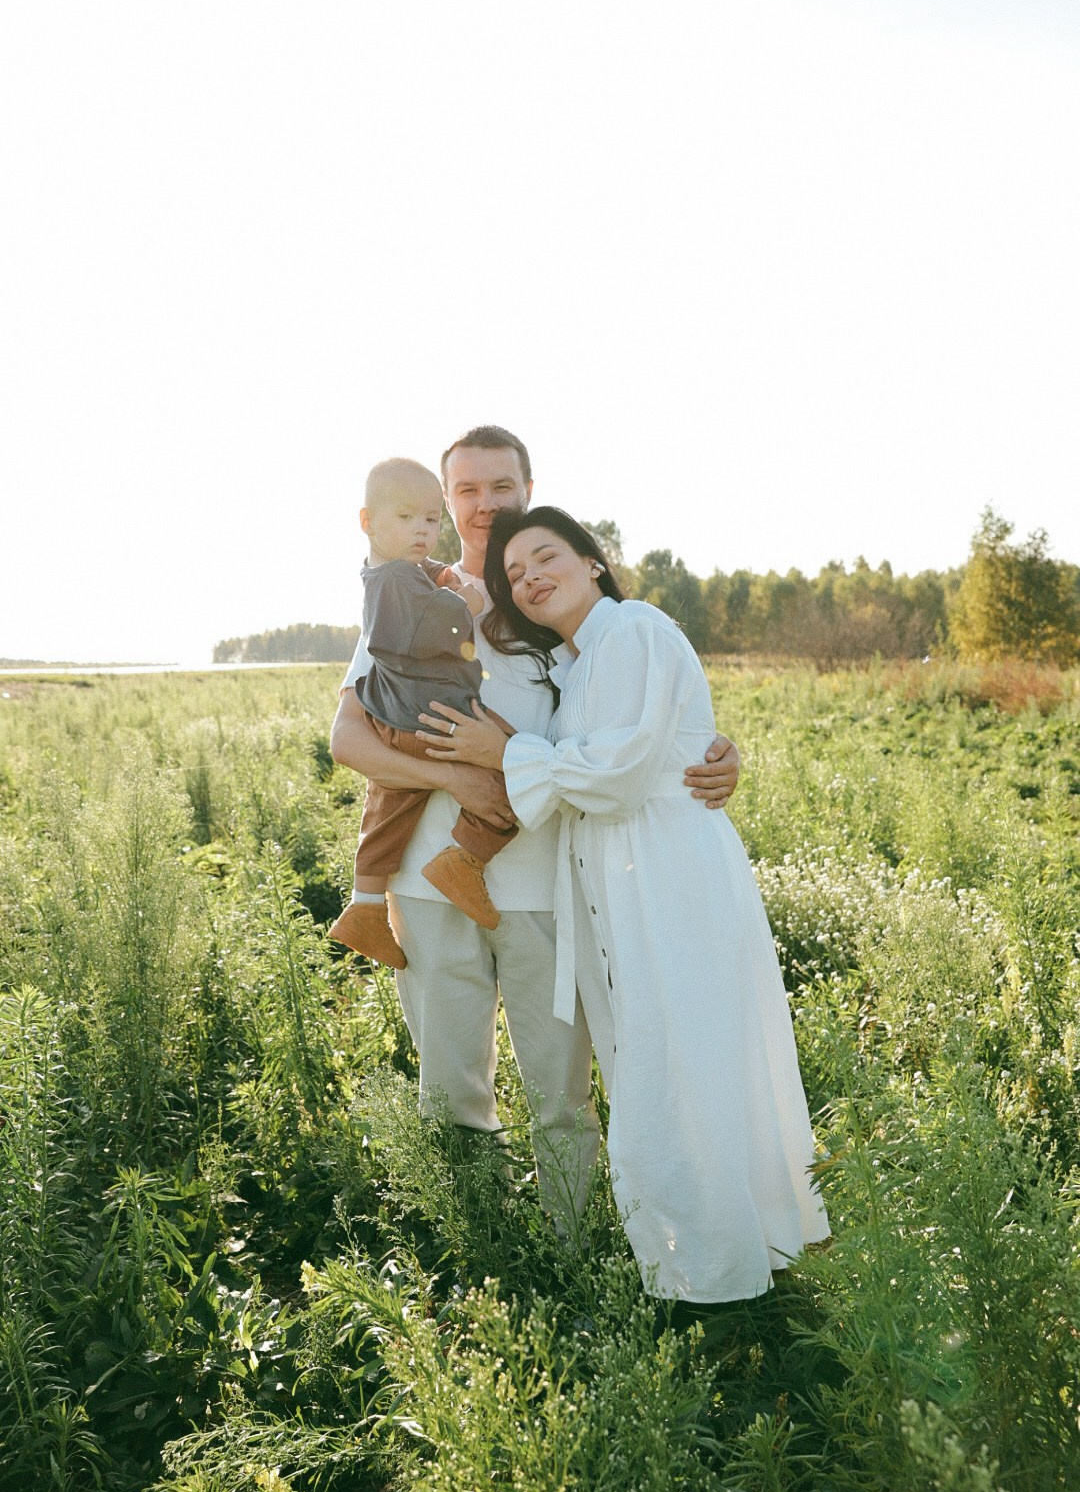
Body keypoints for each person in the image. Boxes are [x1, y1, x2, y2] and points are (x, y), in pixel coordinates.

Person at [416, 505, 829, 1303]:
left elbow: (617, 773)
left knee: (686, 1058)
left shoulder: (633, 629)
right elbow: (620, 756)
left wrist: (506, 751)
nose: (530, 577)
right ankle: (714, 1255)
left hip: (667, 874)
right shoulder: (579, 663)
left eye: (547, 558)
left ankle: (719, 1271)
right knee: (659, 1061)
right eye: (514, 574)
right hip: (627, 879)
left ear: (593, 563)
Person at [329, 427, 741, 1226]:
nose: (486, 504)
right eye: (468, 490)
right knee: (450, 1090)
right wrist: (457, 774)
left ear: (527, 490)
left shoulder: (555, 609)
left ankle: (571, 1251)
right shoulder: (410, 598)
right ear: (448, 505)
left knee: (562, 1095)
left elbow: (645, 713)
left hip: (550, 888)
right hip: (428, 883)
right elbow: (348, 740)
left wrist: (716, 755)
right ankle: (480, 1248)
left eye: (501, 487)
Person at [329, 457, 517, 971]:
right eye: (408, 518)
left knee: (389, 809)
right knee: (523, 760)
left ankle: (366, 906)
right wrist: (469, 605)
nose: (422, 530)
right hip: (432, 715)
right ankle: (466, 857)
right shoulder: (394, 584)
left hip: (412, 716)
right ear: (368, 522)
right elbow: (427, 628)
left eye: (429, 521)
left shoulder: (400, 575)